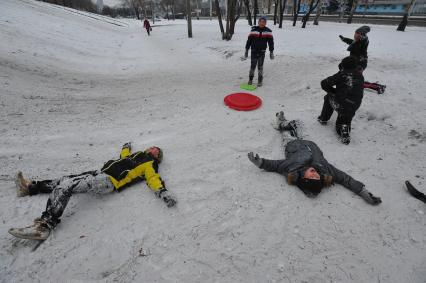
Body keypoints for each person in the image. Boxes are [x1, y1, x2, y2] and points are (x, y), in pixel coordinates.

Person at [9, 143, 176, 241]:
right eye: (153, 147)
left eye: (156, 150)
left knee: (67, 185)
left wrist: (163, 192)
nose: (153, 149)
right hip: (99, 174)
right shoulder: (136, 155)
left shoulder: (150, 164)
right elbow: (122, 157)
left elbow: (153, 179)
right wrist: (126, 147)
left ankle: (45, 226)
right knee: (64, 180)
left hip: (108, 182)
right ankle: (29, 188)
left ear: (157, 156)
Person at [248, 112, 382, 204]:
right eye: (317, 176)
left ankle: (281, 124)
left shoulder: (291, 169)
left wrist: (260, 162)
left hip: (291, 144)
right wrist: (364, 192)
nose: (315, 173)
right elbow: (346, 179)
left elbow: (275, 165)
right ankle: (285, 124)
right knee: (298, 123)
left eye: (311, 175)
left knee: (286, 132)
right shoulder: (326, 171)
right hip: (308, 142)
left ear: (303, 177)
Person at [317, 56, 364, 145]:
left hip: (342, 104)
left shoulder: (341, 75)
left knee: (328, 97)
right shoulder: (360, 75)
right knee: (345, 118)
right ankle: (344, 128)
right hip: (355, 105)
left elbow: (324, 83)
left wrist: (333, 91)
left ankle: (323, 118)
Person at [339, 26, 386, 94]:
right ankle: (347, 85)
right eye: (355, 34)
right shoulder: (358, 41)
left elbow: (356, 44)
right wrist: (344, 39)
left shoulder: (363, 42)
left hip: (360, 63)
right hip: (355, 62)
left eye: (357, 34)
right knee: (350, 77)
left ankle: (378, 87)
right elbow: (352, 42)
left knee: (356, 81)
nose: (355, 36)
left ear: (362, 35)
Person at [244, 16, 274, 87]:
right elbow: (249, 41)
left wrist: (271, 52)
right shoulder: (254, 30)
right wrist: (246, 50)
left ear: (265, 23)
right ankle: (250, 79)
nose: (262, 23)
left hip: (262, 51)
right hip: (254, 51)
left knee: (260, 67)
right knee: (252, 66)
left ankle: (260, 81)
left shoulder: (268, 31)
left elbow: (271, 42)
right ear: (258, 22)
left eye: (264, 22)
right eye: (261, 21)